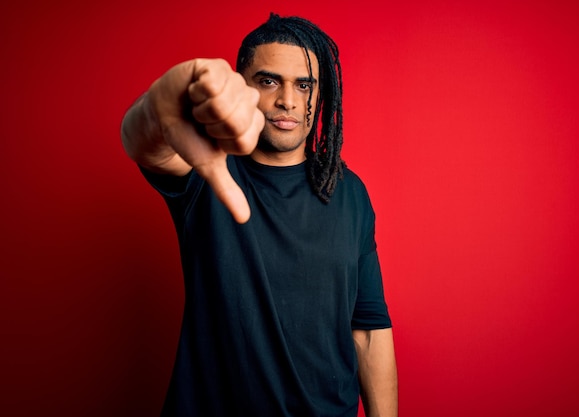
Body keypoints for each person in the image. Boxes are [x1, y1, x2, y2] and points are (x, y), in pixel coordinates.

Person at [121, 13, 397, 417]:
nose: (288, 100)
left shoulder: (349, 191)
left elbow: (369, 329)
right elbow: (145, 142)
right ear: (242, 88)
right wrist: (157, 106)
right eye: (269, 81)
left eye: (304, 85)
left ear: (319, 95)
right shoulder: (206, 169)